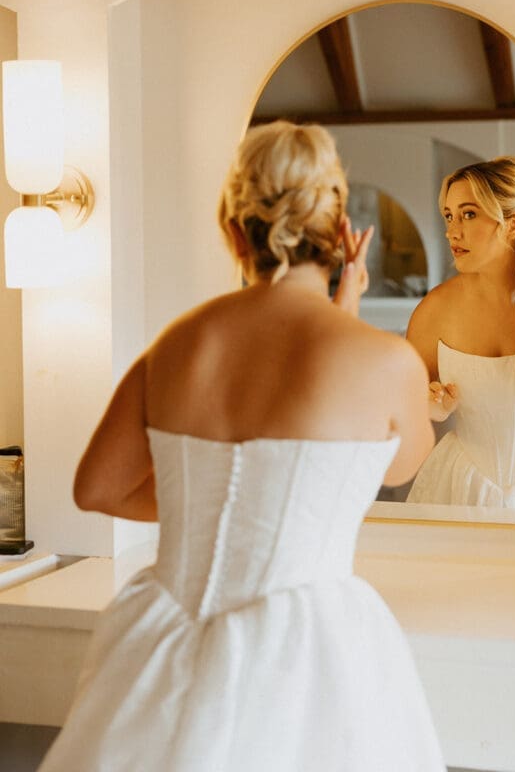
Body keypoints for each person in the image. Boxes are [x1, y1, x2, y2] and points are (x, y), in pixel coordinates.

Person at [39, 120, 444, 772]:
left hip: (167, 631)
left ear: (233, 230)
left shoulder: (177, 343)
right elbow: (401, 464)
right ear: (338, 230)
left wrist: (215, 507)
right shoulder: (382, 361)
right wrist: (346, 315)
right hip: (307, 647)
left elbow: (99, 489)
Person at [406, 156, 515, 511]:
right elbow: (404, 404)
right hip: (459, 487)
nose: (453, 231)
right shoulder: (435, 309)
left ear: (513, 225)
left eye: (469, 214)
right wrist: (431, 407)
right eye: (449, 216)